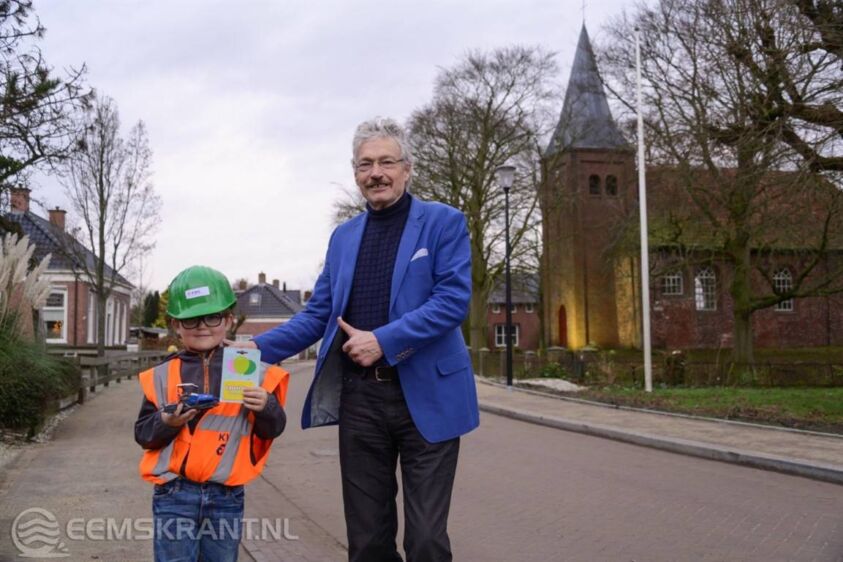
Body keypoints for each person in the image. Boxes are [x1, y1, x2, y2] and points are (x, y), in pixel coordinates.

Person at [245, 117, 479, 561]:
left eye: (387, 162)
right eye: (365, 164)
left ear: (407, 168)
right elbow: (317, 315)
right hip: (360, 402)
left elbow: (451, 303)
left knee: (426, 540)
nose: (377, 173)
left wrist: (384, 341)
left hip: (427, 396)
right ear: (355, 174)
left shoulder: (444, 223)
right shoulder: (343, 237)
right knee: (368, 542)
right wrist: (250, 350)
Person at [134, 265, 289, 562]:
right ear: (176, 325)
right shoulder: (162, 375)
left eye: (212, 316)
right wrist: (166, 422)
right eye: (191, 319)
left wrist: (266, 407)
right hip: (174, 494)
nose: (202, 326)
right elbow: (143, 434)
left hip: (226, 497)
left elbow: (273, 429)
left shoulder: (250, 369)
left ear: (229, 320)